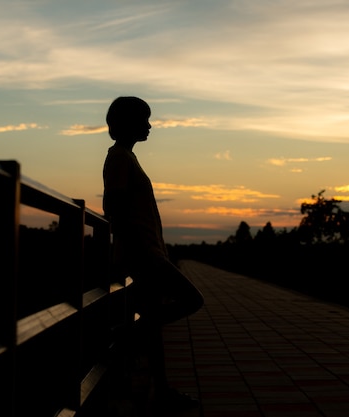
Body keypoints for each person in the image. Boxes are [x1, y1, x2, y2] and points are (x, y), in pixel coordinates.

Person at [103, 96, 204, 413]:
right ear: (127, 122)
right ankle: (126, 336)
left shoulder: (127, 157)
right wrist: (140, 251)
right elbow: (113, 208)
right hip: (143, 254)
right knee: (191, 300)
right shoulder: (119, 157)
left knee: (153, 320)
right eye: (144, 120)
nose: (149, 126)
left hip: (148, 250)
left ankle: (162, 392)